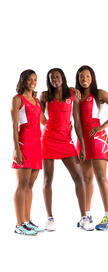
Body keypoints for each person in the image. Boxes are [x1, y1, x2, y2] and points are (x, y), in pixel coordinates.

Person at [39, 68, 93, 231]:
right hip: (48, 140)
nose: (54, 79)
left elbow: (76, 122)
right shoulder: (44, 95)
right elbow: (41, 119)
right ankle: (50, 218)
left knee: (79, 177)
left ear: (62, 77)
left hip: (66, 141)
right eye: (51, 78)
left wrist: (82, 145)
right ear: (49, 81)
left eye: (57, 76)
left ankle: (84, 217)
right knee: (48, 179)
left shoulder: (72, 94)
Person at [75, 65, 108, 231]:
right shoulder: (76, 95)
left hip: (97, 139)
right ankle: (87, 215)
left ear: (92, 77)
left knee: (101, 177)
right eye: (81, 77)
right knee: (86, 179)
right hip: (82, 140)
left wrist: (103, 126)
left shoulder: (99, 94)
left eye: (87, 76)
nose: (85, 80)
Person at [11, 70, 45, 235]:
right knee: (22, 185)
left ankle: (27, 220)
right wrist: (17, 149)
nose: (32, 82)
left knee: (30, 185)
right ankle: (19, 224)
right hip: (24, 145)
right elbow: (14, 126)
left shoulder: (37, 101)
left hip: (36, 146)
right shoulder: (18, 99)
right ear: (23, 81)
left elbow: (43, 121)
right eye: (30, 79)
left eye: (35, 80)